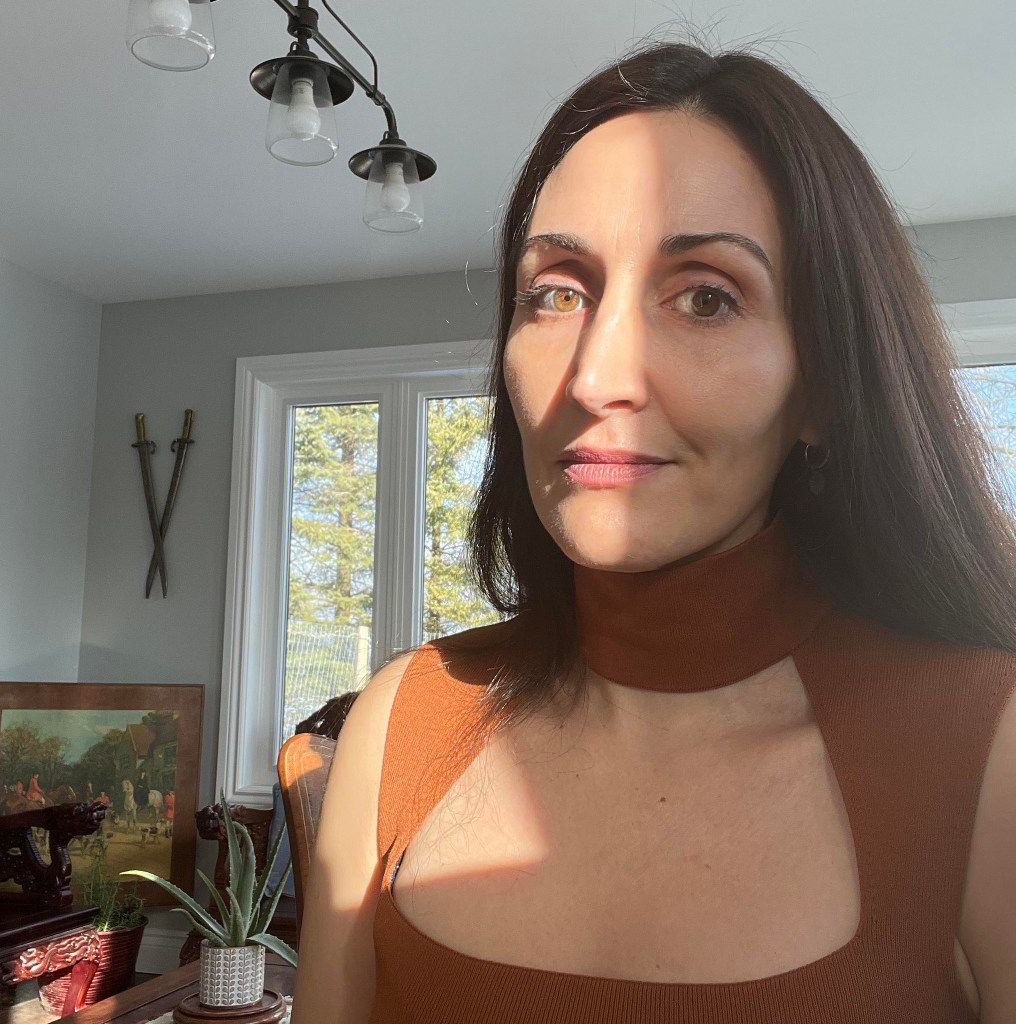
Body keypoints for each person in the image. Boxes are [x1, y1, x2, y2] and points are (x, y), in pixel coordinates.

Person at [293, 39, 1016, 1024]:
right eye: (556, 293)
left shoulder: (986, 750)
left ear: (821, 387)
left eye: (705, 298)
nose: (595, 378)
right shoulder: (399, 725)